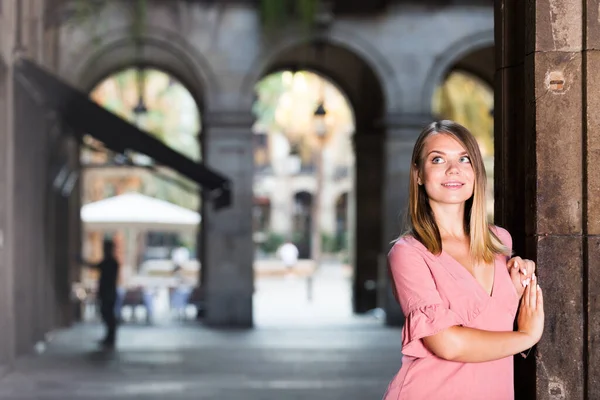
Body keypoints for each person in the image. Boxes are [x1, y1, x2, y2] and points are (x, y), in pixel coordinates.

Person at [383, 120, 544, 399]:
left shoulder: (500, 241)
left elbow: (493, 321)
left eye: (464, 158)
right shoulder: (408, 253)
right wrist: (527, 337)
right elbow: (447, 344)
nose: (453, 169)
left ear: (476, 171)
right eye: (437, 159)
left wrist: (517, 289)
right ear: (418, 174)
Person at [91, 239, 120, 348]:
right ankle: (109, 337)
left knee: (108, 315)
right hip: (107, 292)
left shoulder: (111, 262)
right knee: (107, 314)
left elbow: (96, 266)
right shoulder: (110, 262)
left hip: (109, 293)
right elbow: (95, 266)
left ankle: (110, 337)